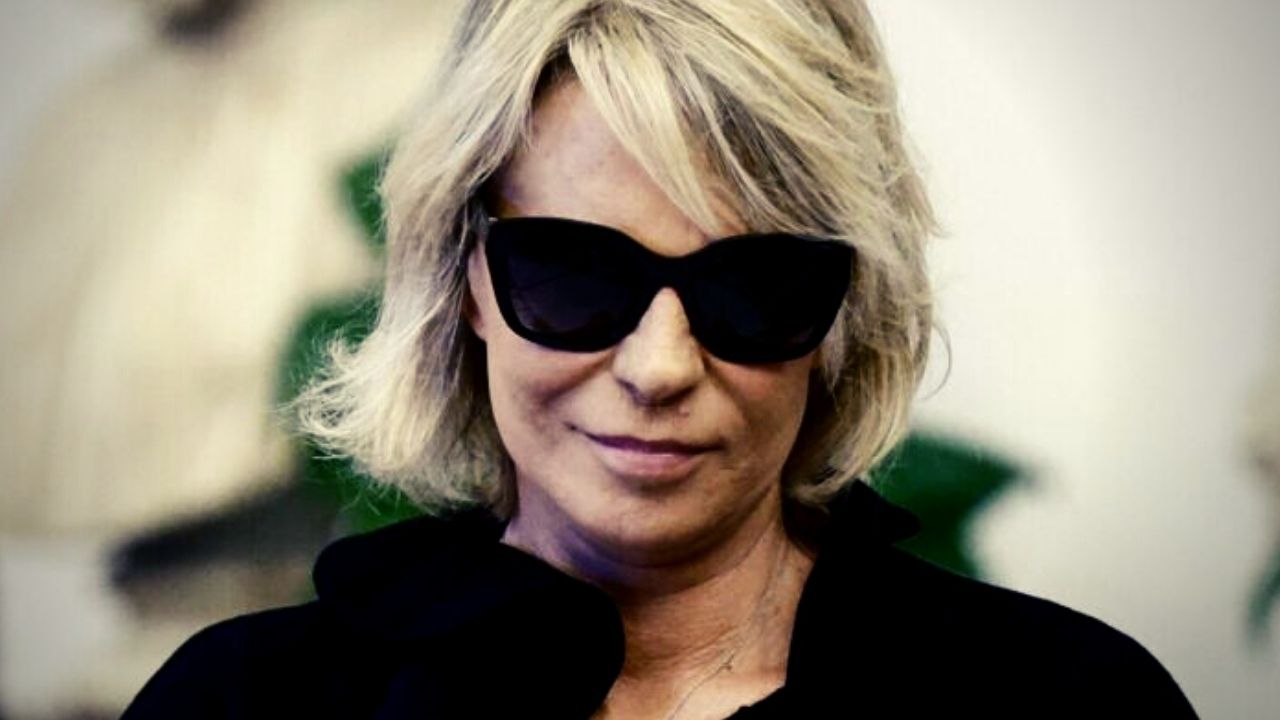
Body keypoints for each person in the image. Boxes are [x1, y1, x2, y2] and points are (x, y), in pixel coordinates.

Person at [123, 0, 1197, 717]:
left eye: (752, 286)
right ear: (467, 282)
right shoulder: (241, 705)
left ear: (838, 313)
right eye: (575, 274)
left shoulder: (1069, 702)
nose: (659, 366)